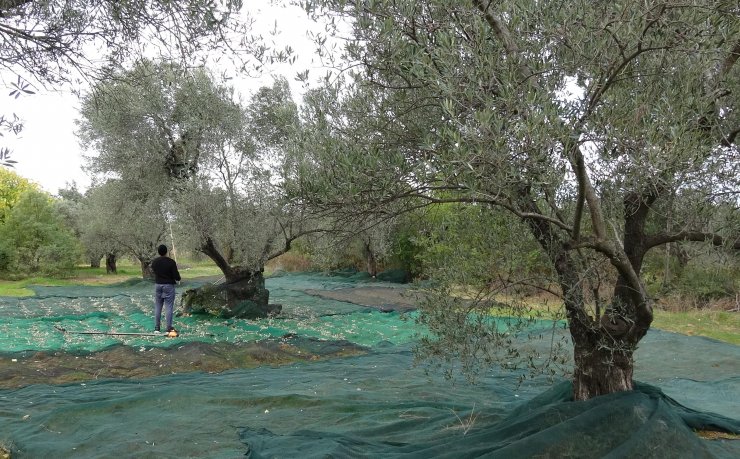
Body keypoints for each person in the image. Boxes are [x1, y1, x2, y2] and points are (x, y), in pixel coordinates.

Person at [151, 244, 181, 333]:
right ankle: (169, 328)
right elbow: (176, 277)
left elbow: (154, 272)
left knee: (158, 306)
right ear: (166, 251)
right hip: (168, 286)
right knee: (168, 306)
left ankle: (157, 328)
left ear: (158, 252)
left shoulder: (155, 262)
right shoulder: (171, 262)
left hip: (158, 285)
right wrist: (178, 277)